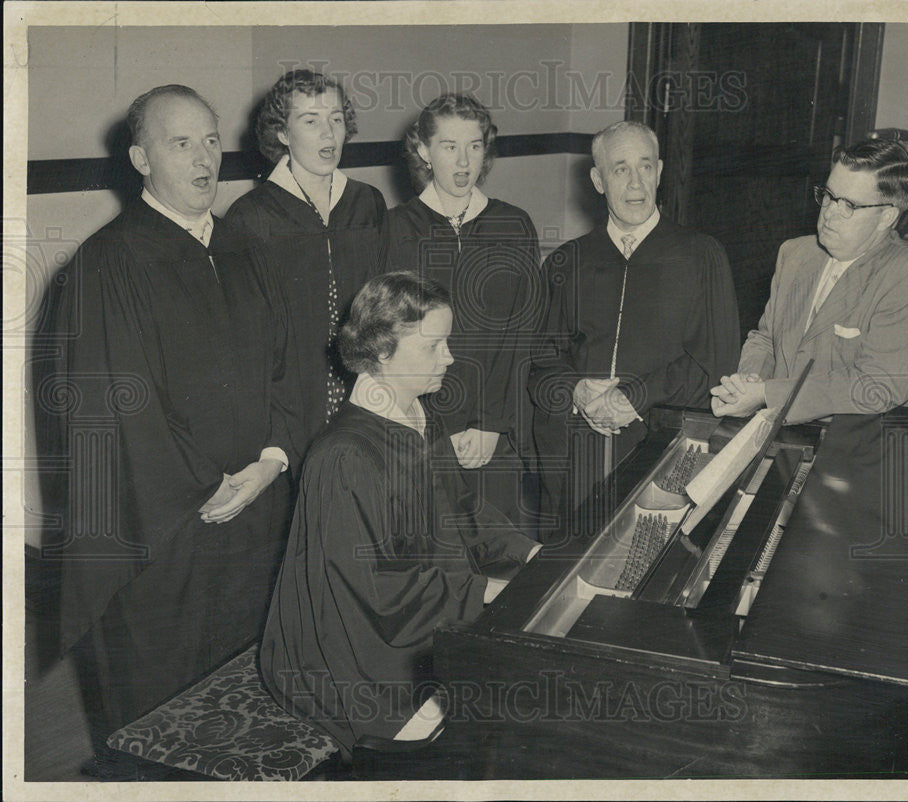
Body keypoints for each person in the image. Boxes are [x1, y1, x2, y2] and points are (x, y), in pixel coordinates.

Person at [35, 85, 300, 775]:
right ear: (140, 159)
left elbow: (290, 370)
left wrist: (273, 458)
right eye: (180, 142)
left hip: (258, 520)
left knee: (249, 709)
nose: (203, 156)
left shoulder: (248, 250)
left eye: (211, 139)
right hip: (165, 536)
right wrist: (209, 488)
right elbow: (114, 412)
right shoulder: (105, 267)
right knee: (164, 730)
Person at [260, 271, 539, 757]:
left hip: (418, 609)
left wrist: (534, 555)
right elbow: (372, 591)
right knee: (477, 733)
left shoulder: (419, 418)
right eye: (435, 346)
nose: (449, 357)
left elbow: (466, 510)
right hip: (353, 647)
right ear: (383, 352)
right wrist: (485, 590)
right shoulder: (345, 456)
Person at [529, 120, 740, 542]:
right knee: (570, 575)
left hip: (661, 446)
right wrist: (574, 389)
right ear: (598, 180)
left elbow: (715, 363)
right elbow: (539, 361)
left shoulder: (701, 256)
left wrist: (634, 396)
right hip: (578, 453)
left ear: (660, 172)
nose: (635, 182)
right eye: (620, 169)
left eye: (645, 167)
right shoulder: (567, 262)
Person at [384, 93, 542, 528]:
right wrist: (441, 429)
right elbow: (397, 343)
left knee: (503, 568)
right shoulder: (395, 229)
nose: (463, 161)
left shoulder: (515, 225)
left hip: (498, 432)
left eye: (474, 146)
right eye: (449, 146)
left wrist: (490, 423)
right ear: (423, 150)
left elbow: (522, 334)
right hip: (423, 432)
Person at [710, 138, 908, 424]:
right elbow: (766, 339)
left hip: (852, 443)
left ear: (886, 217)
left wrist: (766, 393)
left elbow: (877, 386)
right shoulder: (796, 253)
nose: (830, 213)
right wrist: (748, 382)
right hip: (775, 421)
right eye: (830, 196)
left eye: (849, 205)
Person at [226, 69, 387, 453]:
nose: (328, 134)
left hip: (365, 399)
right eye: (310, 121)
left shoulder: (368, 203)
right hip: (287, 410)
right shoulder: (251, 217)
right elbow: (245, 340)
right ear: (282, 133)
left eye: (336, 119)